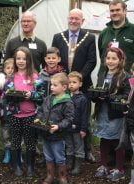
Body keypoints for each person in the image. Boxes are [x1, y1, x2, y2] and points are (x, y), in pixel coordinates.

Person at [52, 8, 96, 162]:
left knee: (83, 118)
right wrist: (65, 81)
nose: (73, 21)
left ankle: (87, 150)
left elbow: (92, 61)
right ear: (67, 19)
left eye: (77, 18)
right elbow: (55, 58)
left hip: (83, 86)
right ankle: (66, 150)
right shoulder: (58, 37)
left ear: (82, 21)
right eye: (71, 18)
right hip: (63, 87)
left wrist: (77, 80)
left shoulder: (89, 38)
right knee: (64, 117)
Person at [4, 46, 44, 177]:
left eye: (24, 58)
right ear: (15, 60)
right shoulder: (10, 78)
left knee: (30, 142)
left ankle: (30, 167)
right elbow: (5, 96)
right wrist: (13, 96)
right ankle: (16, 166)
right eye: (18, 58)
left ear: (29, 60)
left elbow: (42, 95)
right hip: (15, 115)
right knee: (15, 141)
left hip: (30, 115)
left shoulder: (34, 76)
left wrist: (31, 95)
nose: (21, 61)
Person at [93, 47, 130, 182]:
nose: (110, 61)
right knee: (104, 138)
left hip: (115, 114)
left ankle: (119, 168)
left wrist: (110, 97)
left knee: (116, 140)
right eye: (108, 58)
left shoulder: (124, 76)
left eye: (114, 58)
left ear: (120, 60)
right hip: (102, 112)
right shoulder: (102, 74)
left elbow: (126, 95)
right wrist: (96, 96)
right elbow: (97, 89)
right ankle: (103, 165)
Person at [36, 73, 74, 184]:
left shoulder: (67, 102)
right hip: (46, 133)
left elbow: (69, 119)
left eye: (55, 85)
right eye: (51, 84)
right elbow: (41, 111)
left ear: (64, 87)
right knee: (48, 156)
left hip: (58, 136)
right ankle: (50, 176)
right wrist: (38, 119)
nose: (51, 87)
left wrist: (58, 126)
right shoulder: (48, 99)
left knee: (59, 157)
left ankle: (62, 177)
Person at [98, 0, 134, 74]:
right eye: (112, 11)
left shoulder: (132, 30)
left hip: (127, 79)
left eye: (118, 10)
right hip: (105, 79)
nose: (114, 13)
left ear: (125, 11)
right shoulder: (103, 33)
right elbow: (102, 56)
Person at [66, 71, 88, 175]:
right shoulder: (66, 97)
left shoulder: (83, 99)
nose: (71, 84)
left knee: (78, 146)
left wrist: (83, 129)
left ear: (80, 84)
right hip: (67, 127)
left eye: (74, 82)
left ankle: (77, 166)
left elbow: (85, 115)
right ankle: (69, 163)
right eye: (69, 82)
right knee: (69, 146)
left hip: (78, 128)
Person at [0, 58, 14, 164]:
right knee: (5, 132)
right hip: (4, 110)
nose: (10, 70)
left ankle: (17, 152)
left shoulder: (18, 79)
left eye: (12, 68)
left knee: (16, 132)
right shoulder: (1, 81)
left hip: (16, 111)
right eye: (8, 68)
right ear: (4, 69)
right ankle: (7, 151)